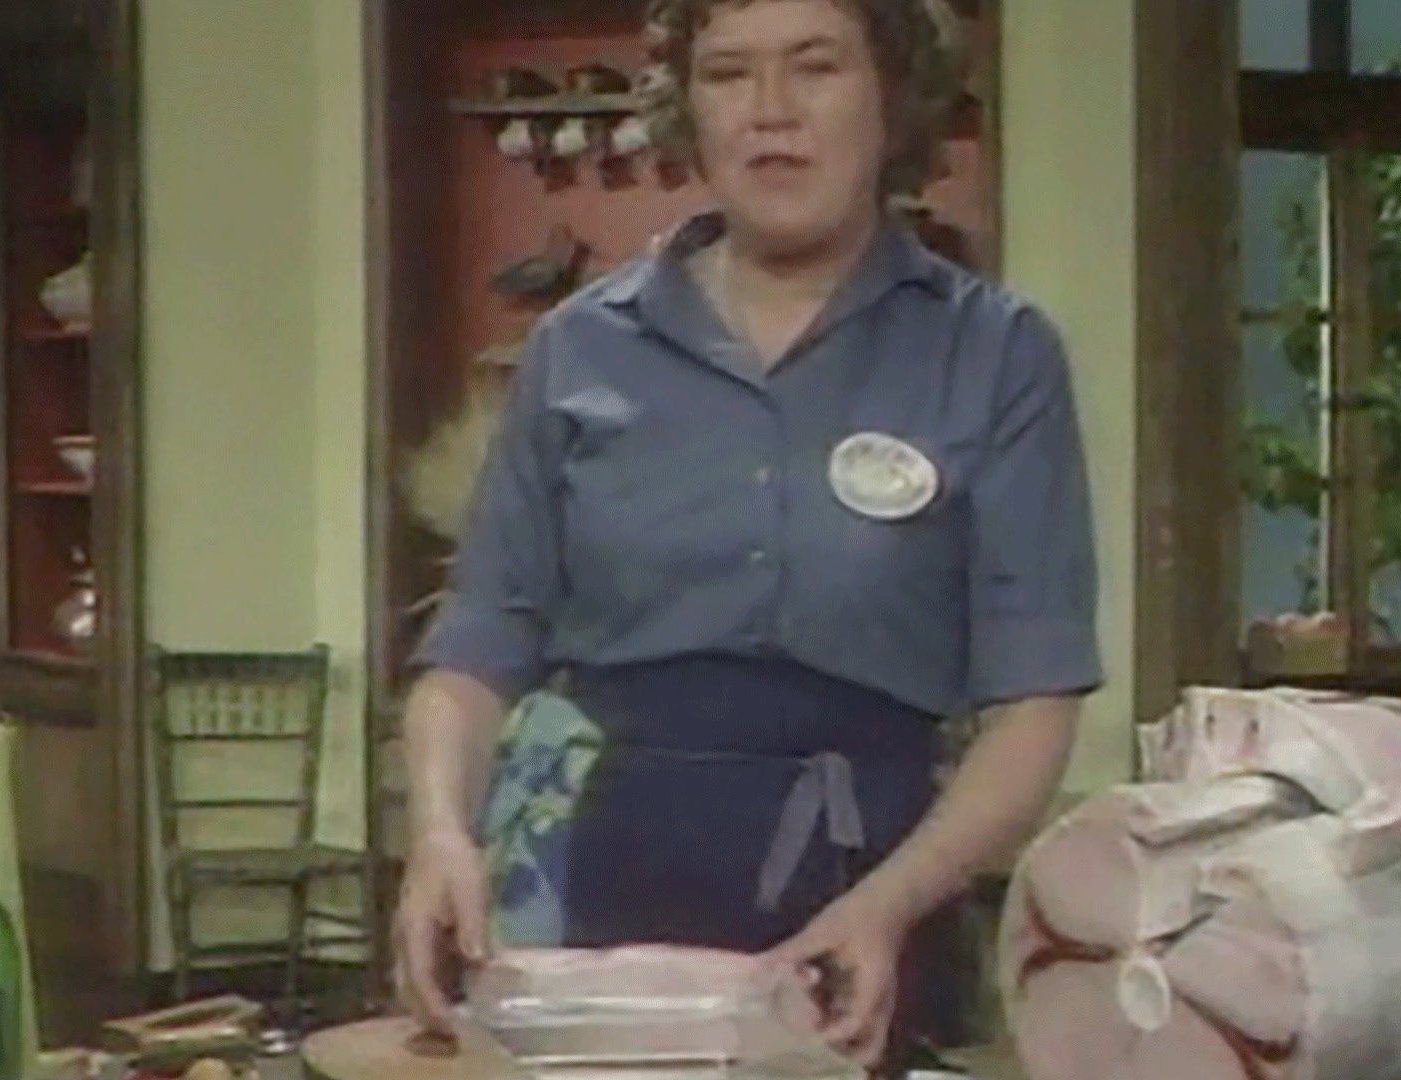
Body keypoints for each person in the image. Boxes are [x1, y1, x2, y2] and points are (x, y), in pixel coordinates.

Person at [392, 0, 1102, 1072]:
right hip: (598, 915)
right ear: (688, 109)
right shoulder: (580, 348)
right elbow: (476, 649)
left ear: (891, 94)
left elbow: (1035, 704)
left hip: (869, 922)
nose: (771, 111)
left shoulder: (995, 355)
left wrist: (887, 907)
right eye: (729, 74)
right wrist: (442, 833)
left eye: (815, 67)